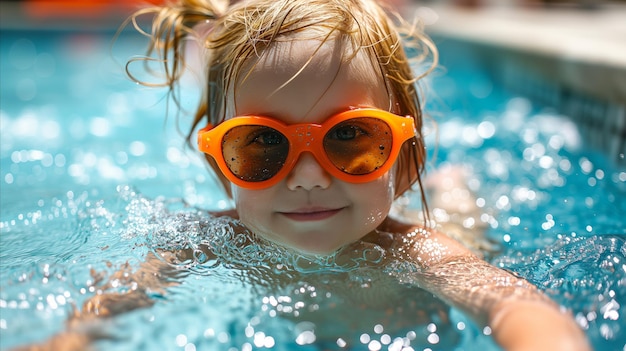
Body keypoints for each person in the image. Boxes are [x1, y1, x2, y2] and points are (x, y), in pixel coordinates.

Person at [16, 0, 590, 350]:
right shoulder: (213, 239)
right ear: (222, 164)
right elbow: (116, 299)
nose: (309, 177)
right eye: (263, 145)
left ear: (406, 154)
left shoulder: (417, 254)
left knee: (463, 220)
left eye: (351, 137)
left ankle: (453, 189)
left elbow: (516, 309)